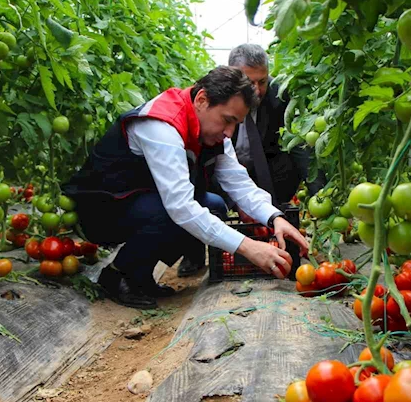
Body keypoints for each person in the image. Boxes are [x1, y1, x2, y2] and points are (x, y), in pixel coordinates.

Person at [63, 66, 309, 309]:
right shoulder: (161, 125)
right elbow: (181, 208)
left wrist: (274, 216)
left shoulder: (213, 131)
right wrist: (248, 246)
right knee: (173, 213)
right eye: (227, 120)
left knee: (213, 205)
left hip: (139, 201)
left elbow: (239, 183)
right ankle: (117, 274)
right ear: (202, 99)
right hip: (100, 210)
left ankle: (140, 274)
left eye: (236, 124)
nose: (229, 133)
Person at [178, 44, 322, 277]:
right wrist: (236, 203)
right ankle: (194, 253)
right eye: (249, 81)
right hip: (218, 169)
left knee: (289, 161)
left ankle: (275, 234)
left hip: (265, 167)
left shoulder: (280, 96)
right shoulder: (216, 99)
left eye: (262, 81)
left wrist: (317, 196)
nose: (255, 89)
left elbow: (301, 147)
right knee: (205, 197)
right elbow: (220, 169)